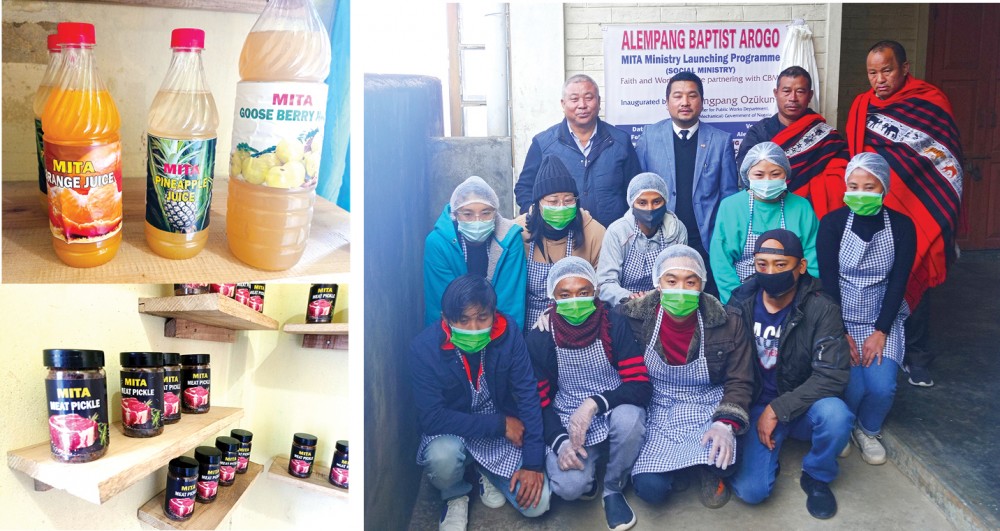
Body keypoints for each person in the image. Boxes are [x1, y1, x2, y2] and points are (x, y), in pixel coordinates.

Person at [846, 40, 964, 387]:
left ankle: (917, 356)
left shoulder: (930, 101)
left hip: (918, 207)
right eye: (872, 72)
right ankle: (881, 345)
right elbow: (860, 158)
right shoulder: (861, 106)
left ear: (904, 68)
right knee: (880, 277)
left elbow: (944, 161)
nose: (879, 79)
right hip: (874, 205)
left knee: (916, 271)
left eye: (887, 70)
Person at [726, 229, 853, 520]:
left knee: (837, 416)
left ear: (801, 266)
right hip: (756, 403)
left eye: (780, 265)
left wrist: (778, 408)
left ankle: (817, 475)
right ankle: (768, 457)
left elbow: (832, 375)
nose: (770, 273)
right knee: (752, 492)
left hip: (803, 402)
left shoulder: (822, 307)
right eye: (762, 265)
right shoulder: (739, 303)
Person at [617, 245, 754, 510]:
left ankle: (705, 468)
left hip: (706, 403)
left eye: (690, 282)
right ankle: (678, 466)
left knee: (725, 460)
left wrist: (725, 424)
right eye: (671, 281)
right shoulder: (634, 317)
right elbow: (597, 321)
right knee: (650, 490)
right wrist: (550, 318)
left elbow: (741, 379)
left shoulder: (728, 321)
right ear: (658, 283)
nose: (680, 289)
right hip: (658, 404)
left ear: (702, 285)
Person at [410, 275, 550, 531]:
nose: (473, 328)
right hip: (455, 431)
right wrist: (500, 424)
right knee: (443, 457)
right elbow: (432, 418)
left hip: (496, 431)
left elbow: (528, 393)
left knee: (538, 504)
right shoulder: (424, 349)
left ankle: (482, 471)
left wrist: (533, 463)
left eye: (482, 318)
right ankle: (455, 494)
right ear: (446, 319)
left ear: (494, 315)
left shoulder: (509, 334)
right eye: (463, 320)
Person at [526, 257, 651, 531]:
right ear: (552, 298)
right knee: (569, 488)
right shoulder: (541, 337)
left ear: (595, 292)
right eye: (565, 295)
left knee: (630, 420)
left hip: (614, 403)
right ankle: (589, 477)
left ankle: (612, 487)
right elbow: (539, 403)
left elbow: (640, 384)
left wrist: (595, 403)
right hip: (567, 414)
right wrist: (560, 442)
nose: (575, 301)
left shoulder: (613, 323)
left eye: (583, 293)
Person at [817, 153, 916, 465]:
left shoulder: (902, 226)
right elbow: (829, 282)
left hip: (881, 315)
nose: (860, 193)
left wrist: (881, 331)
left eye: (869, 187)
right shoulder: (832, 223)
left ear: (884, 188)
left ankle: (867, 430)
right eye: (854, 186)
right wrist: (839, 332)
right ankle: (843, 427)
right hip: (840, 314)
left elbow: (899, 282)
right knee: (853, 385)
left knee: (882, 387)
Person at [635, 71, 740, 297]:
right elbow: (637, 192)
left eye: (692, 96)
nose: (685, 102)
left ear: (702, 101)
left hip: (705, 242)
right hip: (660, 239)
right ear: (667, 102)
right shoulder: (649, 136)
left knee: (706, 304)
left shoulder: (720, 141)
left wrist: (722, 243)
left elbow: (728, 197)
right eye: (678, 96)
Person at [515, 74, 641, 228]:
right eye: (574, 99)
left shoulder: (620, 141)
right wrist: (537, 218)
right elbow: (524, 188)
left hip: (612, 235)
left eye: (589, 98)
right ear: (563, 104)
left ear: (599, 102)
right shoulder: (543, 143)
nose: (582, 105)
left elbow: (636, 190)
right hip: (560, 236)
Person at [710, 142, 820, 304]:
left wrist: (801, 300)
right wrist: (737, 303)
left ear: (786, 174)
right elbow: (721, 262)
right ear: (747, 176)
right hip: (742, 294)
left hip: (793, 296)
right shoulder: (731, 206)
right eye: (759, 175)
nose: (767, 181)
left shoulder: (801, 207)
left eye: (775, 174)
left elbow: (812, 259)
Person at [735, 66, 850, 219]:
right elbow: (748, 175)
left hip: (810, 213)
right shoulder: (759, 133)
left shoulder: (827, 137)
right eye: (786, 91)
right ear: (776, 94)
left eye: (800, 92)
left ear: (810, 96)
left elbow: (840, 177)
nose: (793, 98)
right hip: (766, 212)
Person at [424, 176, 527, 329]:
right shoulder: (438, 243)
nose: (477, 221)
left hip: (498, 330)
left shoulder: (510, 240)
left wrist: (505, 345)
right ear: (455, 214)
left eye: (486, 213)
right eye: (468, 214)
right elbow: (440, 303)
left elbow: (510, 302)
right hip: (456, 330)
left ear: (495, 213)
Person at [515, 155, 605, 326]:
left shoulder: (594, 232)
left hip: (579, 317)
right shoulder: (518, 232)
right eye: (553, 201)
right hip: (529, 320)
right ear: (538, 203)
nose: (561, 206)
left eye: (568, 200)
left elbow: (601, 285)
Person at [596, 172, 687, 307]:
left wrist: (656, 298)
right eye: (642, 203)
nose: (650, 209)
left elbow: (681, 276)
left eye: (656, 202)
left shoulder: (676, 230)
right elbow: (606, 283)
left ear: (665, 201)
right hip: (625, 304)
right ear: (632, 204)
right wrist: (630, 298)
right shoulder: (617, 232)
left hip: (665, 303)